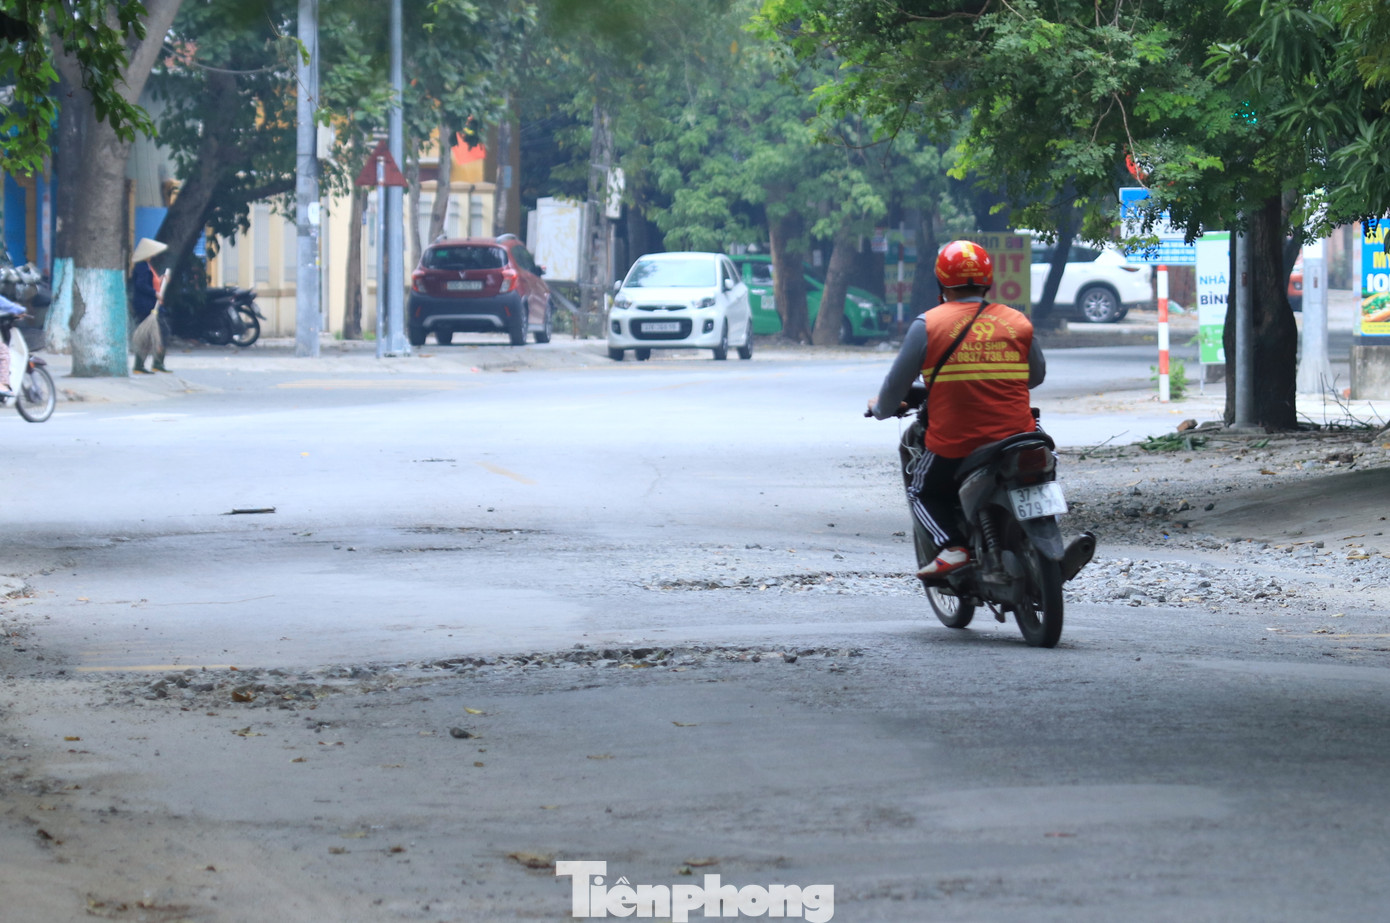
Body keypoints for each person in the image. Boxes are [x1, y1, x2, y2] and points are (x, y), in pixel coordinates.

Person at [869, 240, 1046, 578]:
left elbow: (894, 387)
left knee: (920, 488)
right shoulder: (1017, 322)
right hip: (1021, 437)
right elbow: (1034, 377)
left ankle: (951, 546)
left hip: (957, 441)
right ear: (988, 281)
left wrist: (880, 409)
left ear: (941, 284)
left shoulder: (928, 325)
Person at [130, 237, 170, 373]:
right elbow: (141, 285)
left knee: (155, 335)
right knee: (158, 334)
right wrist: (155, 293)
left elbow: (151, 282)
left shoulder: (147, 266)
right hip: (147, 307)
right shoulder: (142, 267)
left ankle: (150, 364)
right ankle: (146, 365)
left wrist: (161, 280)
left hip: (153, 305)